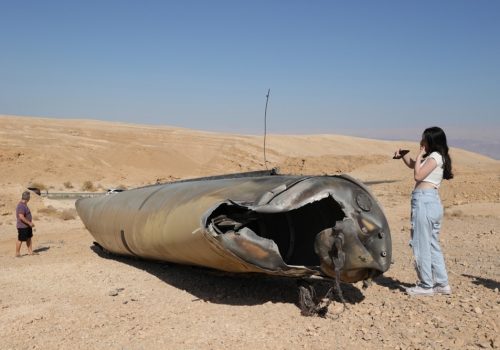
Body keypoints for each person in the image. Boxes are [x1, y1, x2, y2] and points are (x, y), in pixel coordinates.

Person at [394, 126, 453, 296]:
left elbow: (418, 176)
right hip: (430, 202)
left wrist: (420, 154)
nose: (422, 141)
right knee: (432, 243)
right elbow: (415, 166)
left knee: (421, 243)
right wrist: (405, 156)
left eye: (425, 139)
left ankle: (426, 285)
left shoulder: (434, 157)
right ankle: (442, 284)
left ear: (432, 141)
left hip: (424, 202)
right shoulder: (435, 157)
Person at [15, 191, 35, 257]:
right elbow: (21, 216)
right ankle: (17, 253)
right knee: (20, 239)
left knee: (29, 238)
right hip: (22, 226)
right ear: (28, 198)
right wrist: (29, 222)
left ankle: (30, 252)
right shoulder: (21, 206)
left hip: (27, 226)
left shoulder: (24, 205)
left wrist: (29, 224)